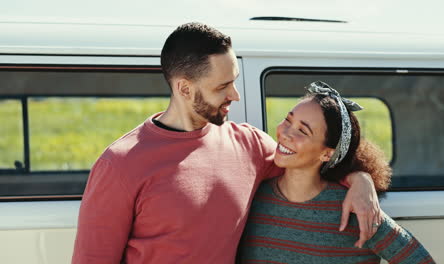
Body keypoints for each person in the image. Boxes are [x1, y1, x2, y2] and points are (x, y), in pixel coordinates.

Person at [72, 23, 383, 264]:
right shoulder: (121, 164)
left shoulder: (248, 145)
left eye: (234, 80)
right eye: (223, 86)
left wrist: (360, 178)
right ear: (184, 88)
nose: (234, 95)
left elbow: (311, 157)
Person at [238, 81, 435, 264]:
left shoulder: (355, 208)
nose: (285, 133)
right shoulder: (253, 197)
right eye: (288, 120)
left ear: (327, 154)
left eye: (303, 131)